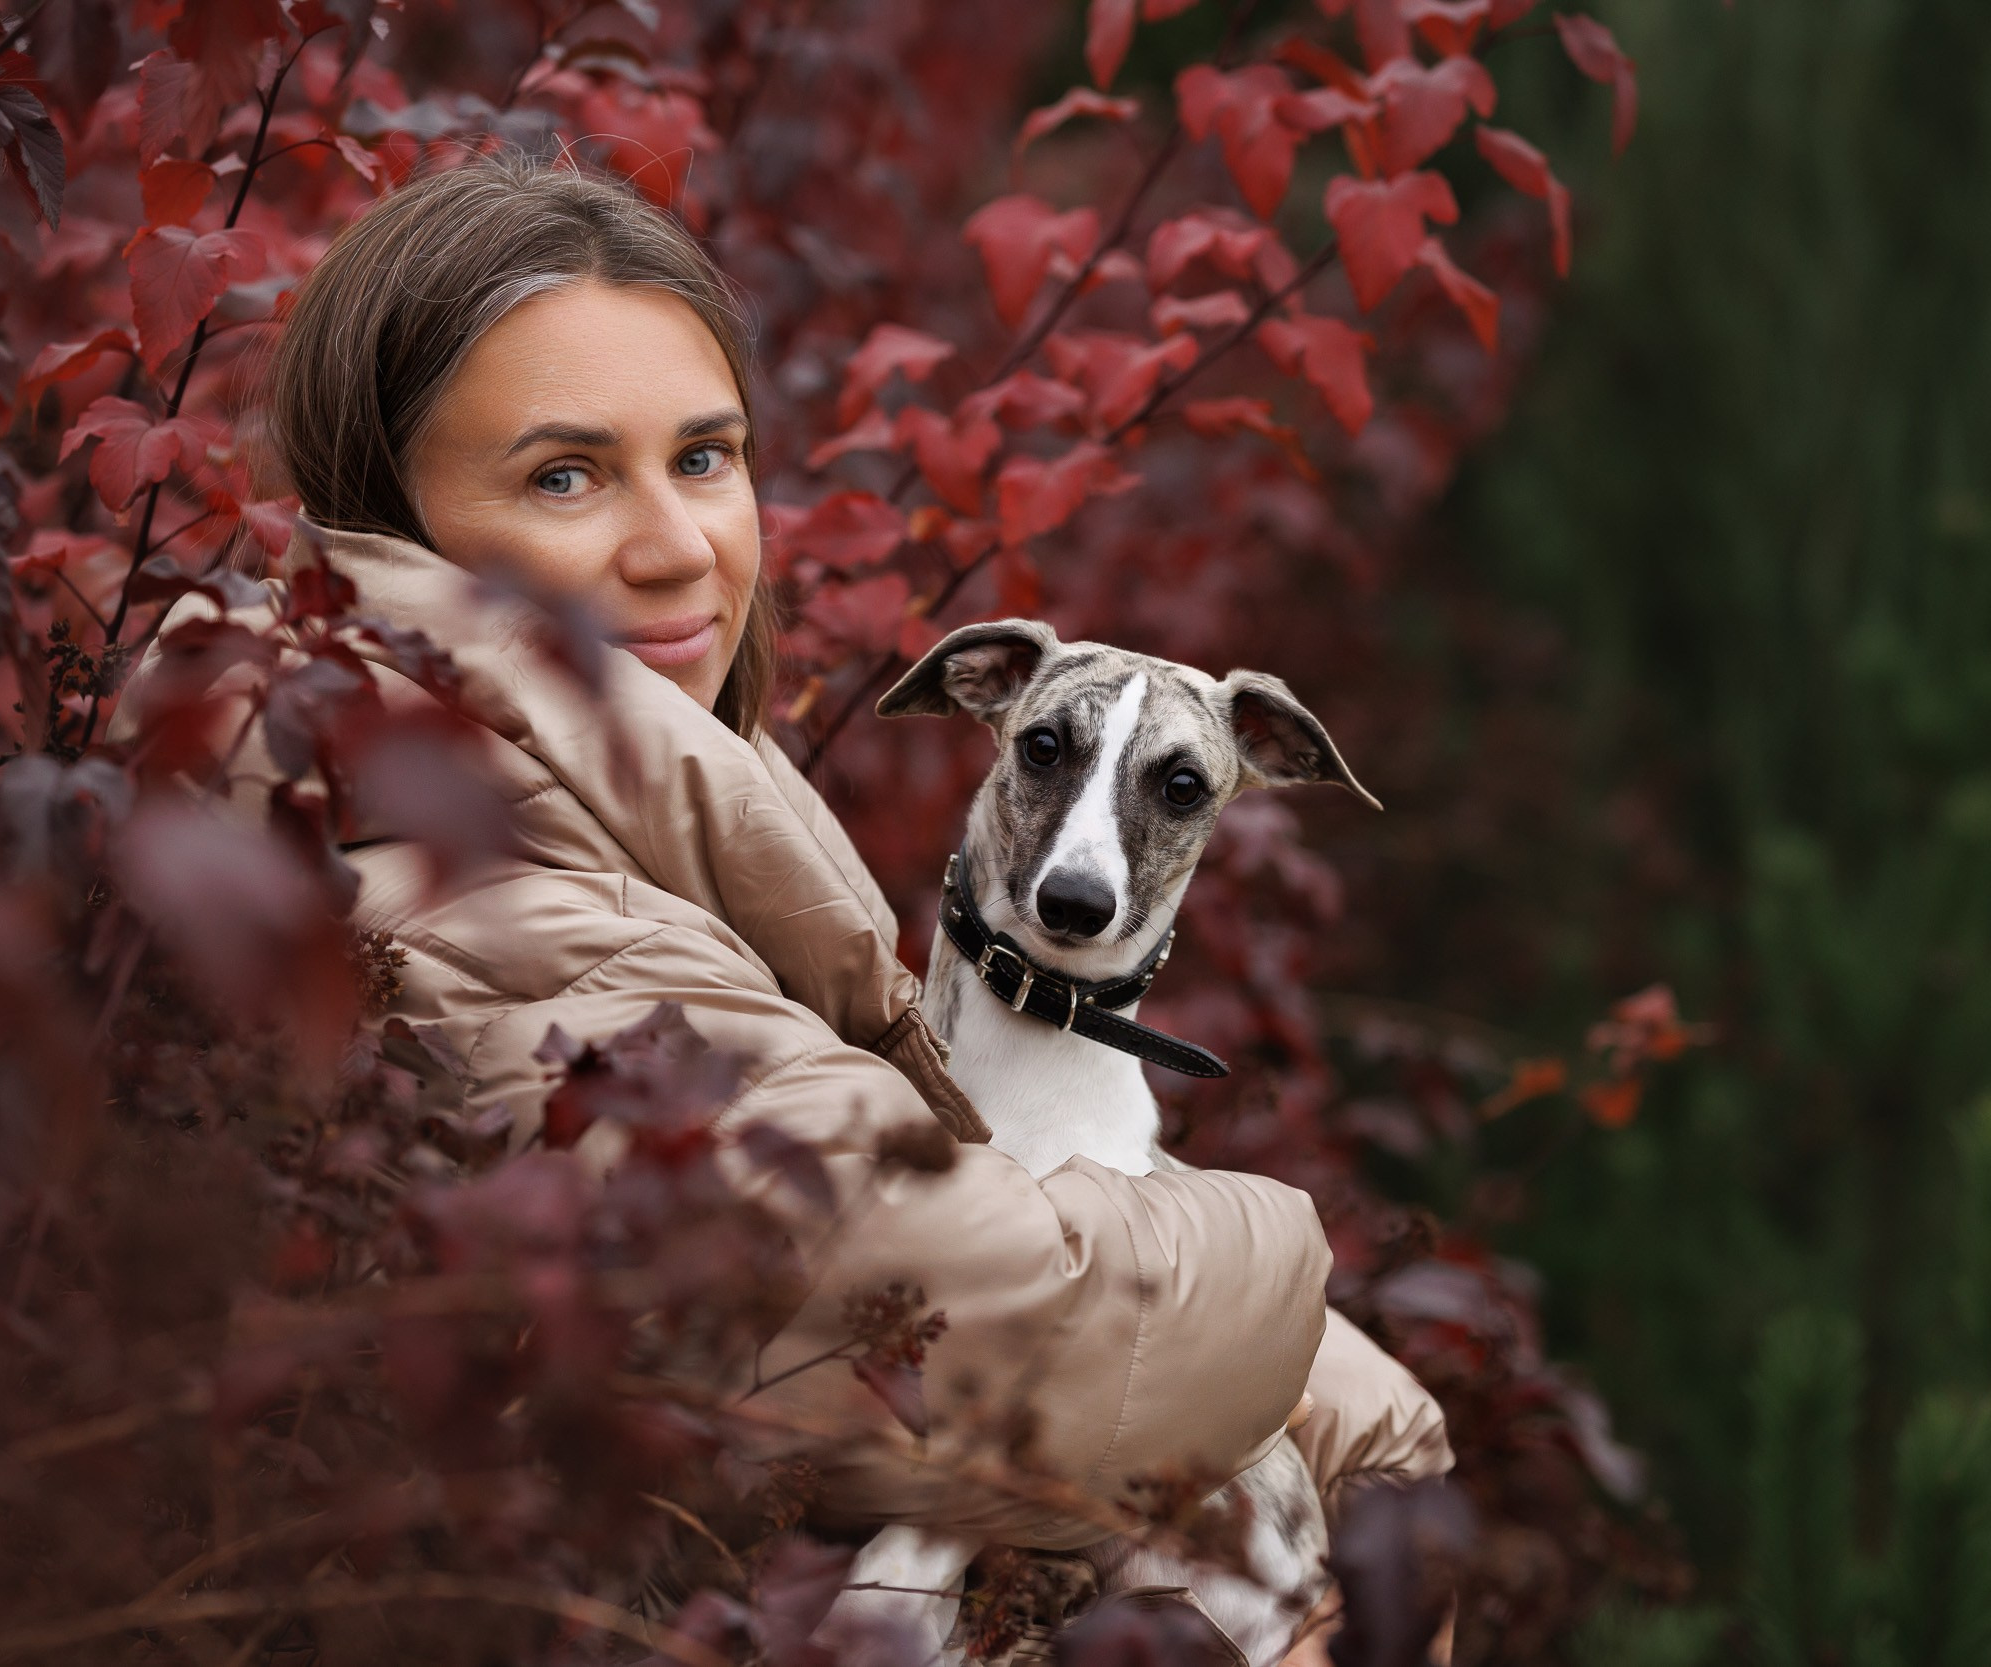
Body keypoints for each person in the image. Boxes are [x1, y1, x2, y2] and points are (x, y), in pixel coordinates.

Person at [132, 151, 1446, 1583]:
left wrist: (1371, 1472)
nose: (679, 546)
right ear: (385, 520)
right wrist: (1300, 1283)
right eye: (564, 474)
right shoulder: (444, 876)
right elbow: (1024, 1353)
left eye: (704, 457)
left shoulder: (690, 837)